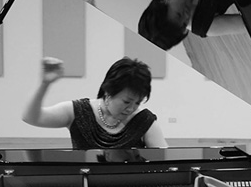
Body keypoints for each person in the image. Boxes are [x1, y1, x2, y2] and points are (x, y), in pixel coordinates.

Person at [23, 56, 166, 149]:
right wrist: (44, 83)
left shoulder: (144, 120)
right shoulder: (78, 111)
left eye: (137, 102)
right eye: (126, 102)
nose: (131, 109)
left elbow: (167, 163)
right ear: (109, 92)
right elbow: (31, 118)